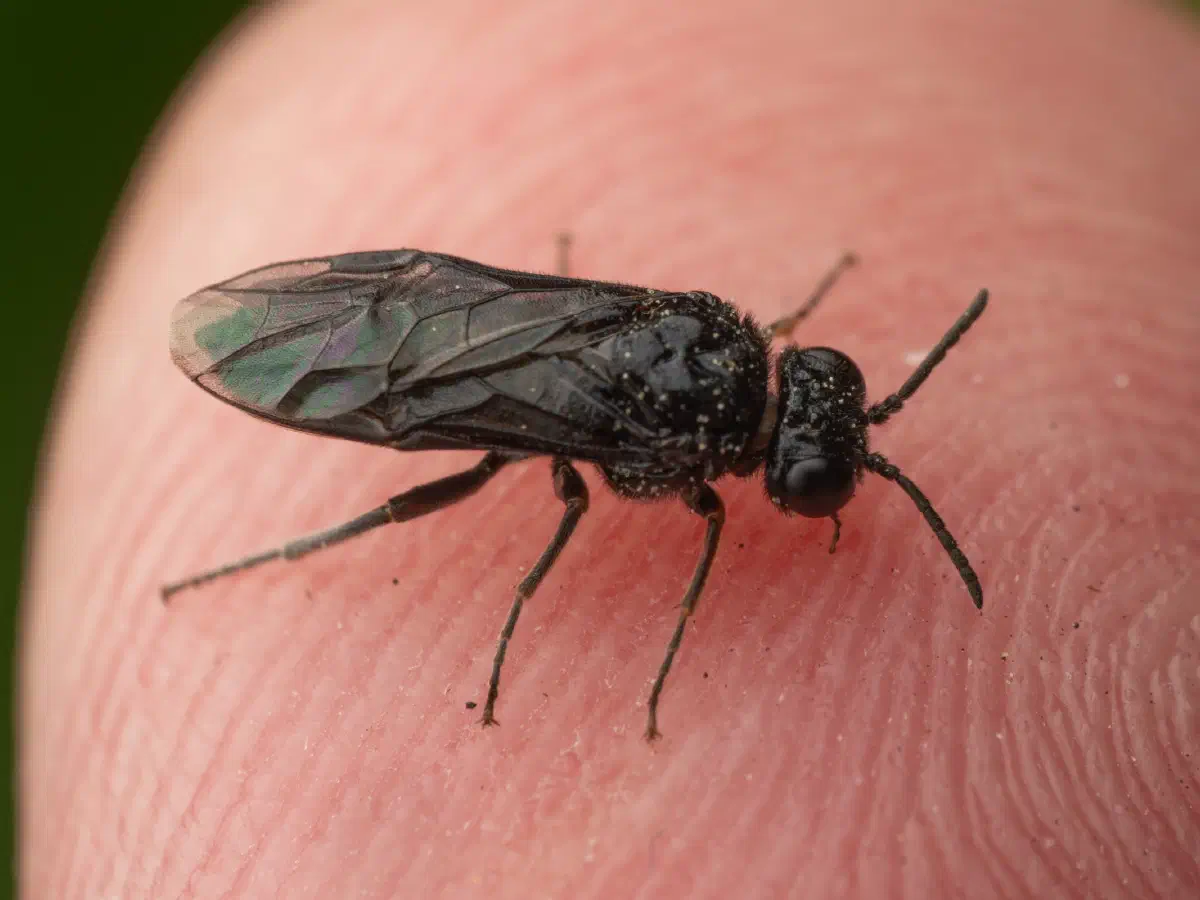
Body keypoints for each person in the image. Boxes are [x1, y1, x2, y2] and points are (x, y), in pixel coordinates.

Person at [23, 1, 1199, 896]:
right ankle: (282, 554)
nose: (827, 417)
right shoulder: (689, 455)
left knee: (498, 415)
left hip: (435, 301)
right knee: (523, 491)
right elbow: (651, 526)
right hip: (418, 356)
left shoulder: (728, 331)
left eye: (828, 437)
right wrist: (625, 648)